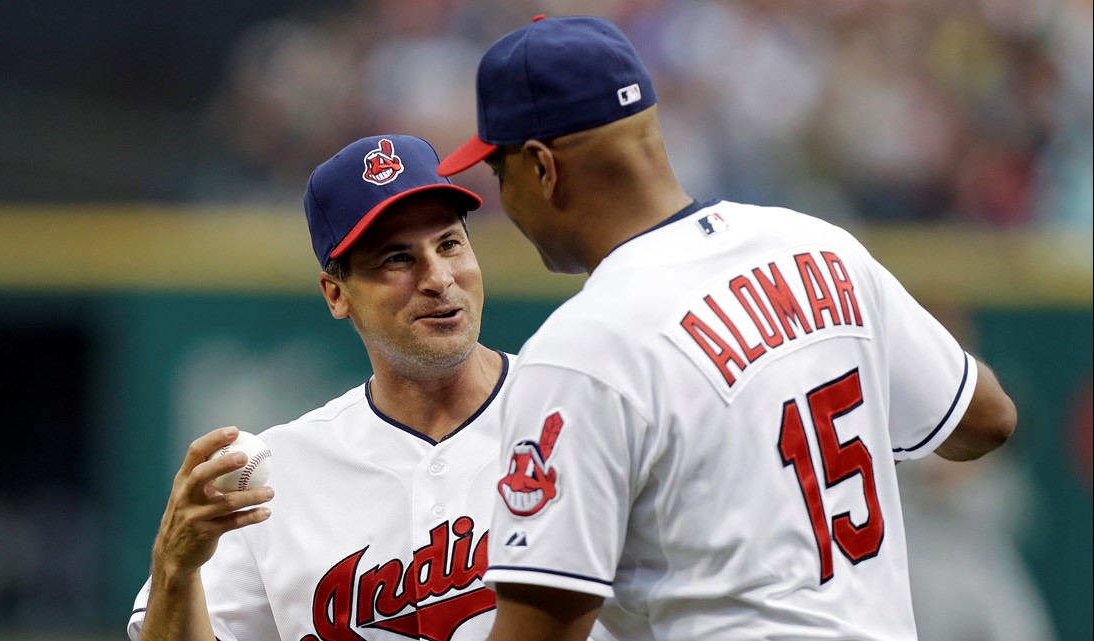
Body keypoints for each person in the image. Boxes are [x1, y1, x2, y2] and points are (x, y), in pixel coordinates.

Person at [436, 15, 1019, 641]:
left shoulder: (580, 349)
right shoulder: (818, 246)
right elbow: (986, 419)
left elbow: (539, 631)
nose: (503, 194)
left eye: (501, 173)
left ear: (543, 168)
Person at [128, 134, 515, 640]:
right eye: (397, 258)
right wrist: (174, 567)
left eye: (449, 243)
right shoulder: (276, 479)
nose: (438, 277)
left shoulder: (575, 414)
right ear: (337, 294)